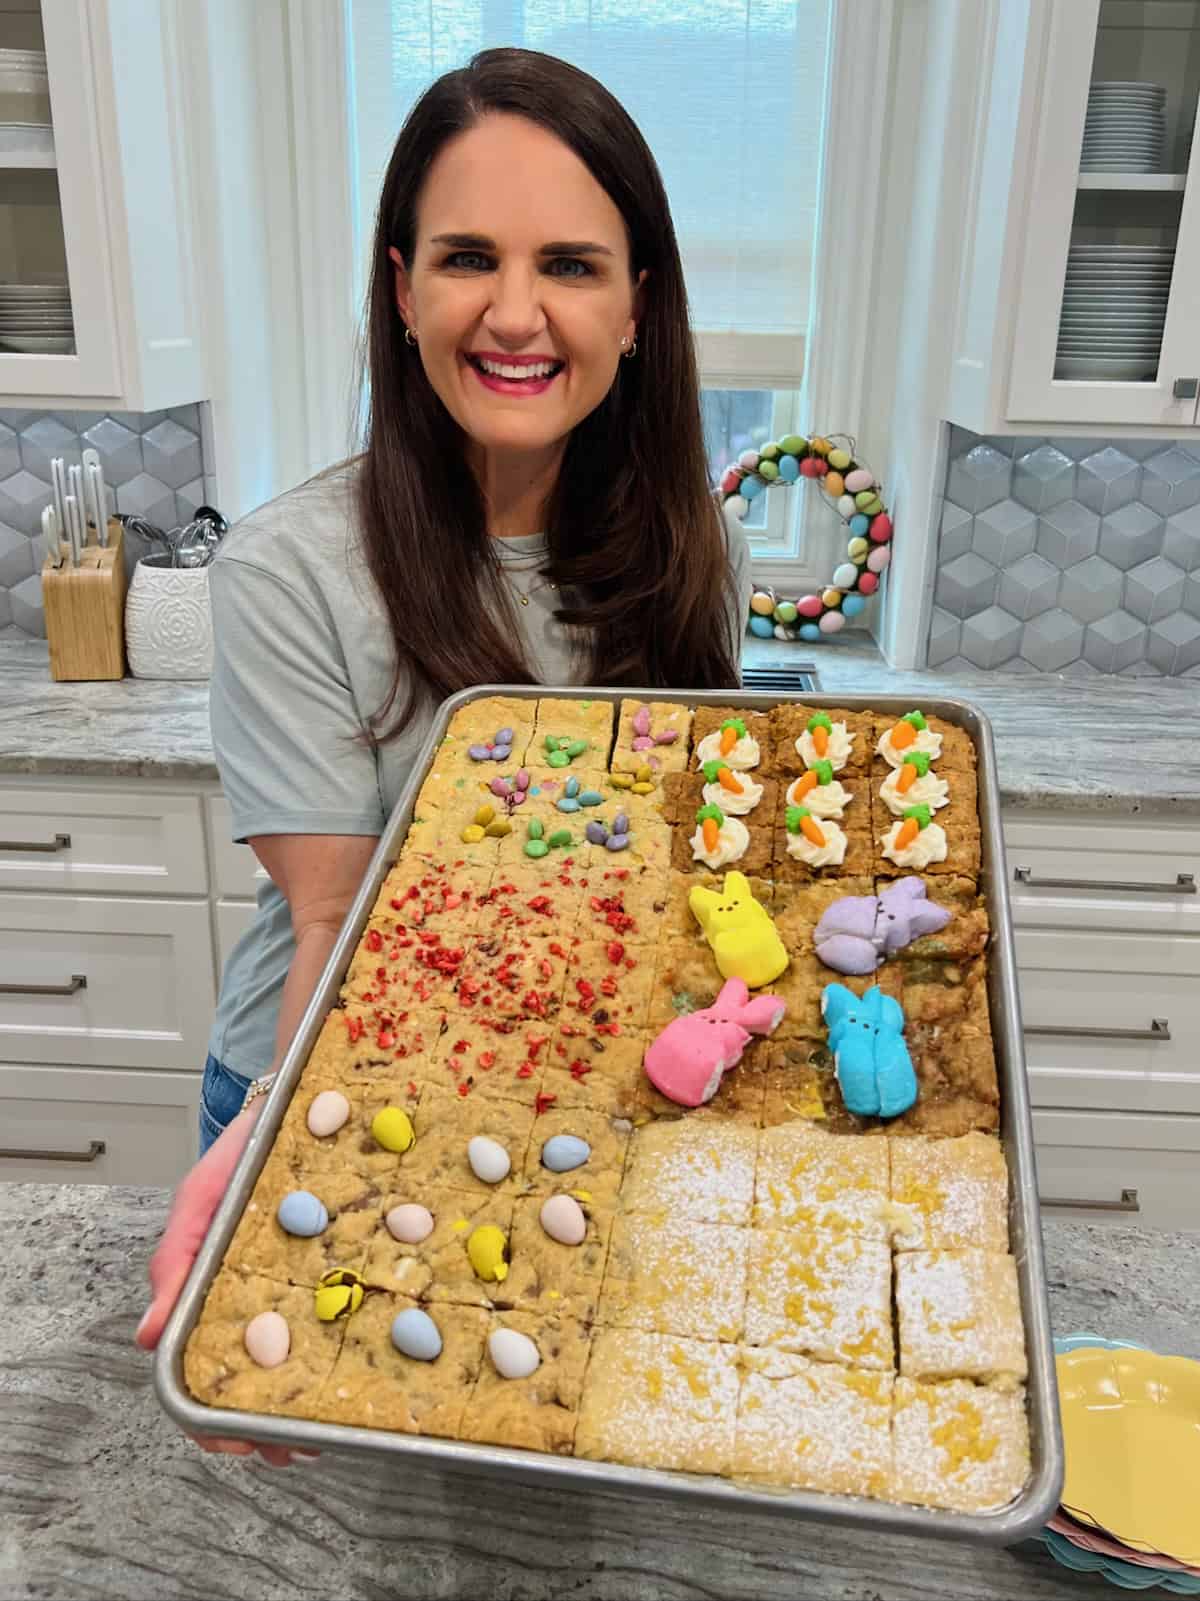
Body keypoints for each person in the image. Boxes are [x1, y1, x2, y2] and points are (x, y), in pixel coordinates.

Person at [135, 46, 752, 1460]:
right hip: (325, 1076)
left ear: (639, 306)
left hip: (563, 1083)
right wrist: (286, 1158)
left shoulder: (677, 546)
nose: (517, 313)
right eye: (469, 257)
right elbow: (331, 916)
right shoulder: (296, 570)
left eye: (574, 265)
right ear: (403, 287)